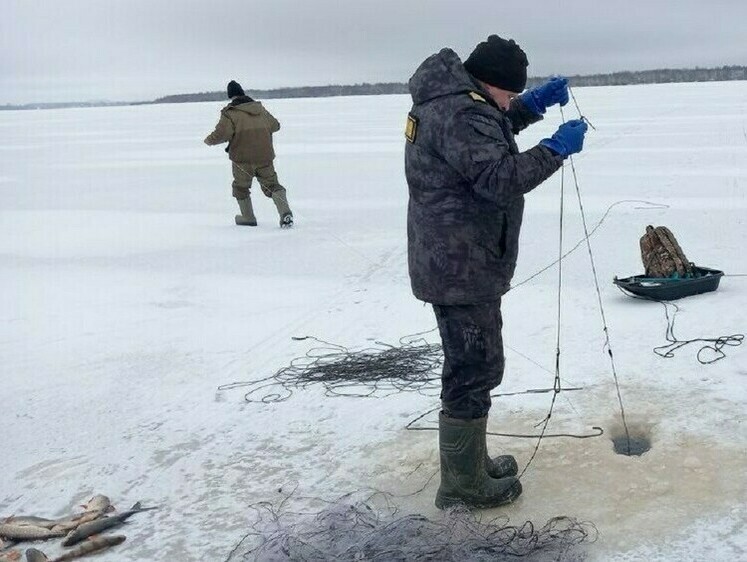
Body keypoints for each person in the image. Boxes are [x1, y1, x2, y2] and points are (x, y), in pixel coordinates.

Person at [404, 35, 588, 509]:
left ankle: (471, 464)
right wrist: (555, 150)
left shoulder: (456, 102)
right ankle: (462, 485)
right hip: (459, 266)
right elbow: (499, 177)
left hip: (459, 260)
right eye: (509, 94)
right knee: (474, 368)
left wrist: (531, 105)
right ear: (489, 84)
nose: (508, 104)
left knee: (474, 365)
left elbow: (490, 130)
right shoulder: (462, 112)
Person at [204, 80, 293, 228]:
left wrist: (209, 141)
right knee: (272, 185)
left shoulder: (230, 113)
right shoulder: (260, 109)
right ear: (243, 93)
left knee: (241, 188)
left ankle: (248, 217)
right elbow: (275, 126)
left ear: (231, 96)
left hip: (242, 159)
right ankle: (285, 212)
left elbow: (222, 133)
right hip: (265, 157)